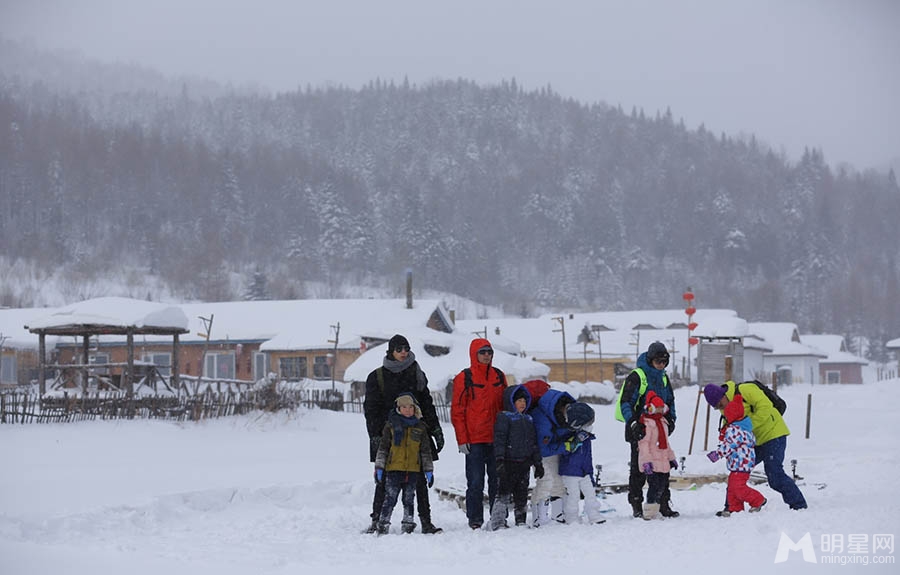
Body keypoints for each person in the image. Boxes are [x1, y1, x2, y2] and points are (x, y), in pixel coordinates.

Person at [364, 334, 445, 534]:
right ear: (391, 351)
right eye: (399, 349)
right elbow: (371, 410)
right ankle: (377, 520)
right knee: (384, 481)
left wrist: (435, 428)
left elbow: (426, 403)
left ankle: (426, 522)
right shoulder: (377, 376)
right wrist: (375, 435)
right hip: (390, 436)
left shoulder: (416, 372)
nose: (403, 352)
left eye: (406, 348)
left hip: (416, 435)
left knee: (419, 481)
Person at [704, 381, 807, 510]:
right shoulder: (725, 409)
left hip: (773, 434)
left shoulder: (746, 390)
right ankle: (731, 508)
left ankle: (799, 505)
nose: (721, 409)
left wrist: (747, 426)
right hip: (752, 442)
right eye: (716, 407)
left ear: (723, 395)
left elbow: (766, 407)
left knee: (775, 476)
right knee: (736, 474)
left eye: (720, 404)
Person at [615, 341, 679, 518]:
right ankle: (636, 503)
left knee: (663, 466)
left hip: (659, 430)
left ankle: (663, 503)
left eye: (665, 362)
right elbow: (625, 402)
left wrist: (671, 419)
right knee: (639, 469)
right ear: (651, 360)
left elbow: (670, 401)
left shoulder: (664, 377)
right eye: (659, 361)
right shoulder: (638, 376)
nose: (662, 365)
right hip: (640, 430)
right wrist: (633, 423)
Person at [450, 337, 507, 529]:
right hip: (474, 440)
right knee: (475, 482)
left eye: (489, 352)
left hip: (496, 439)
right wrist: (461, 439)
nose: (486, 355)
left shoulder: (499, 376)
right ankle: (475, 519)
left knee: (497, 482)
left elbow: (506, 406)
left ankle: (498, 517)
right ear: (474, 354)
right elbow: (457, 411)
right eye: (482, 352)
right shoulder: (464, 378)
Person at [531, 388, 595, 527]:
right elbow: (543, 449)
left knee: (559, 480)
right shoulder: (543, 421)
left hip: (556, 445)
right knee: (546, 480)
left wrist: (577, 439)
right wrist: (566, 446)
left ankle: (558, 514)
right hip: (539, 451)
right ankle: (538, 517)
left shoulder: (572, 411)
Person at [373, 393, 435, 535]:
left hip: (413, 470)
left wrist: (428, 471)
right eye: (404, 407)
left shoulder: (420, 427)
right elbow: (383, 449)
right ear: (398, 409)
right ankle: (383, 524)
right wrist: (379, 468)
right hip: (394, 469)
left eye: (410, 407)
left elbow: (425, 451)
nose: (408, 410)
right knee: (390, 498)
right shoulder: (391, 426)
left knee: (409, 499)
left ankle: (408, 524)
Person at [488, 385, 544, 530]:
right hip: (508, 462)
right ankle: (497, 522)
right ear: (511, 401)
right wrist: (499, 459)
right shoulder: (504, 417)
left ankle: (521, 520)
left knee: (522, 494)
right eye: (519, 400)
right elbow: (500, 439)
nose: (522, 403)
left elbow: (533, 443)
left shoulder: (529, 419)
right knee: (503, 493)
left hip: (524, 463)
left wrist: (537, 463)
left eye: (524, 401)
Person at [706, 394, 767, 516]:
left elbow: (729, 445)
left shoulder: (735, 430)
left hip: (741, 465)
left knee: (738, 488)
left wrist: (717, 454)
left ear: (730, 416)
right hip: (740, 464)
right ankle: (735, 509)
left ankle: (757, 500)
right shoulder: (743, 428)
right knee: (732, 488)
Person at [636, 391, 679, 520]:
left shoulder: (663, 422)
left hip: (663, 460)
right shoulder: (647, 423)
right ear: (651, 408)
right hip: (652, 461)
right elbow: (644, 444)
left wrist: (672, 458)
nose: (660, 410)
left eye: (662, 407)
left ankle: (659, 509)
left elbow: (666, 443)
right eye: (657, 407)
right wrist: (646, 462)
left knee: (662, 486)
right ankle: (649, 512)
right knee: (653, 487)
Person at [558, 425, 606, 525]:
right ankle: (571, 517)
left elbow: (588, 457)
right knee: (573, 496)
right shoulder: (567, 434)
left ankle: (593, 514)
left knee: (590, 493)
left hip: (584, 472)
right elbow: (565, 450)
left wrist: (590, 473)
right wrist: (576, 439)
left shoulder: (587, 439)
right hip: (570, 472)